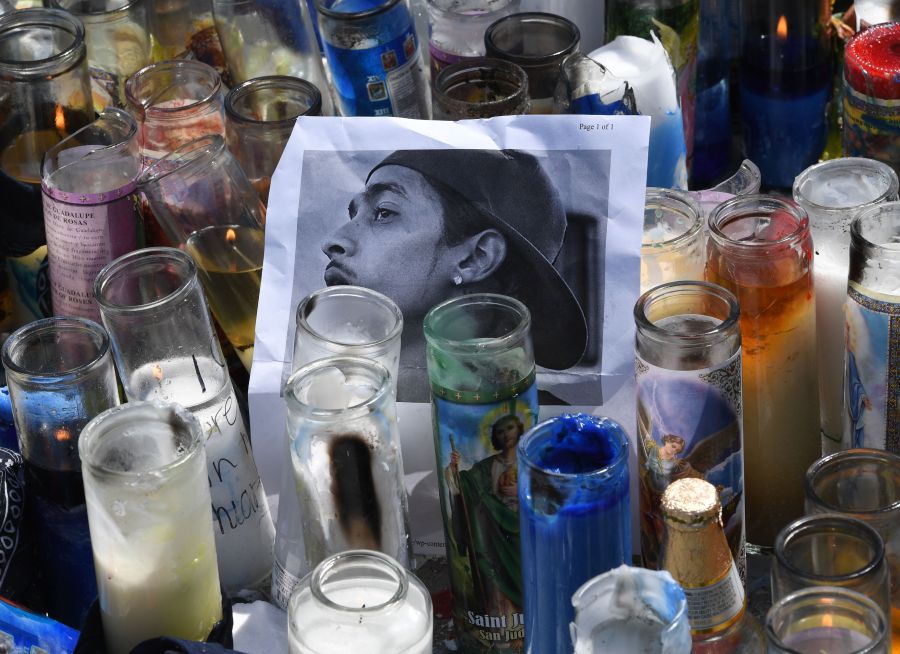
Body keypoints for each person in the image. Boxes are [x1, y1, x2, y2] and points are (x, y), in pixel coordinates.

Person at [321, 149, 589, 402]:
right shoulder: (322, 397)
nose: (333, 241)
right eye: (355, 214)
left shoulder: (544, 435)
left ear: (476, 258)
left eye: (384, 212)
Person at [444, 414, 524, 614]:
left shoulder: (530, 461)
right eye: (501, 431)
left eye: (510, 428)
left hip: (521, 537)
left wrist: (520, 491)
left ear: (519, 429)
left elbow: (546, 491)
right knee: (492, 575)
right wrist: (453, 468)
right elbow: (465, 486)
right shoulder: (486, 467)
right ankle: (500, 620)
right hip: (493, 539)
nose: (506, 434)